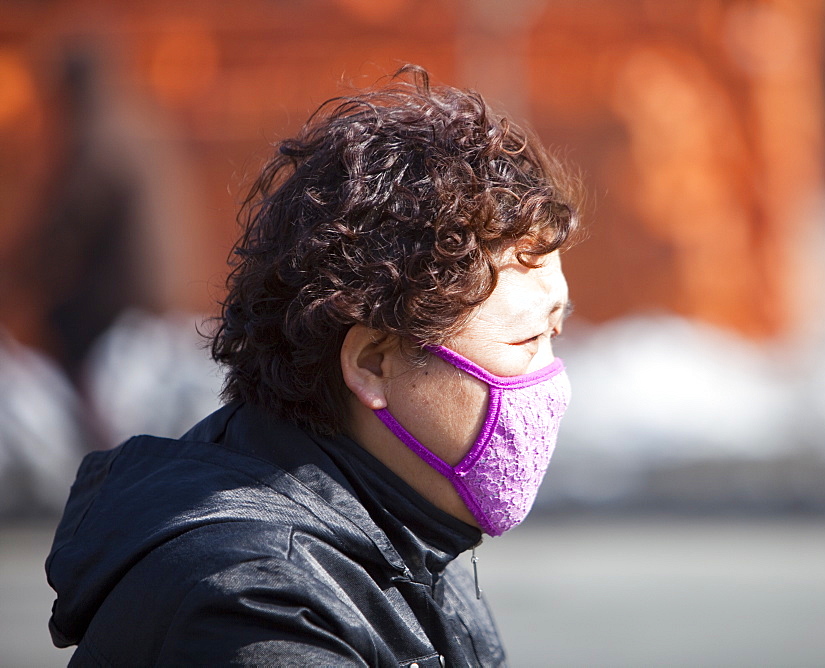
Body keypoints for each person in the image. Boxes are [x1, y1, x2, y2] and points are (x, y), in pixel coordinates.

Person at [45, 66, 580, 666]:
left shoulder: (405, 535)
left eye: (554, 333)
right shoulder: (256, 609)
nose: (550, 382)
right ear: (373, 363)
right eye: (528, 339)